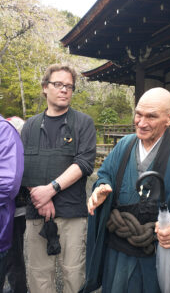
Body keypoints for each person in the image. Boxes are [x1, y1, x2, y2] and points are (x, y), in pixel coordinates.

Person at [81, 87, 170, 293]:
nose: (141, 122)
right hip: (117, 255)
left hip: (156, 258)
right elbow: (106, 174)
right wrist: (101, 187)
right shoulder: (124, 146)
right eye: (138, 114)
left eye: (151, 116)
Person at [21, 64, 96, 293]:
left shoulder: (83, 123)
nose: (64, 90)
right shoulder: (30, 126)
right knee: (38, 275)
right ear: (45, 88)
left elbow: (84, 163)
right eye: (58, 84)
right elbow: (23, 167)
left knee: (74, 274)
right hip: (36, 212)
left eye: (69, 86)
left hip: (72, 213)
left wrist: (51, 189)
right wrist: (40, 198)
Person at [0, 115, 24, 293]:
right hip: (15, 209)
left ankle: (18, 288)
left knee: (15, 257)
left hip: (15, 211)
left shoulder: (6, 133)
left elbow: (9, 183)